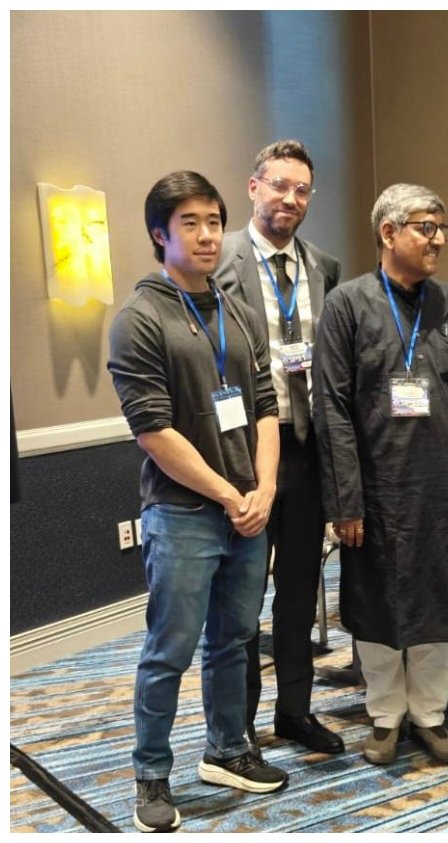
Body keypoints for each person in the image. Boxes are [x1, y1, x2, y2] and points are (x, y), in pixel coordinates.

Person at [108, 171, 289, 833]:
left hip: (248, 512)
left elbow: (265, 408)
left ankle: (227, 750)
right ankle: (151, 775)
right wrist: (230, 494)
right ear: (160, 234)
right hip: (183, 514)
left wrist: (265, 488)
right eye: (191, 222)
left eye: (214, 220)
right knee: (170, 649)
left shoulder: (238, 312)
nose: (209, 234)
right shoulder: (139, 318)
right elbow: (153, 431)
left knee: (234, 640)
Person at [313, 184, 448, 765]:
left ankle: (431, 716)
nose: (438, 239)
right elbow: (331, 407)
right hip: (376, 492)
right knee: (377, 604)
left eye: (442, 228)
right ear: (388, 233)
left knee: (440, 603)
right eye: (425, 227)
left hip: (442, 489)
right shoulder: (347, 305)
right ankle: (385, 717)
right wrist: (345, 501)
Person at [216, 139, 344, 757]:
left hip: (309, 450)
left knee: (298, 592)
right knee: (242, 597)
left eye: (301, 190)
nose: (290, 199)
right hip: (246, 454)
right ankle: (237, 725)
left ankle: (295, 711)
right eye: (279, 185)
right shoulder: (221, 261)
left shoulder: (325, 268)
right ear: (254, 187)